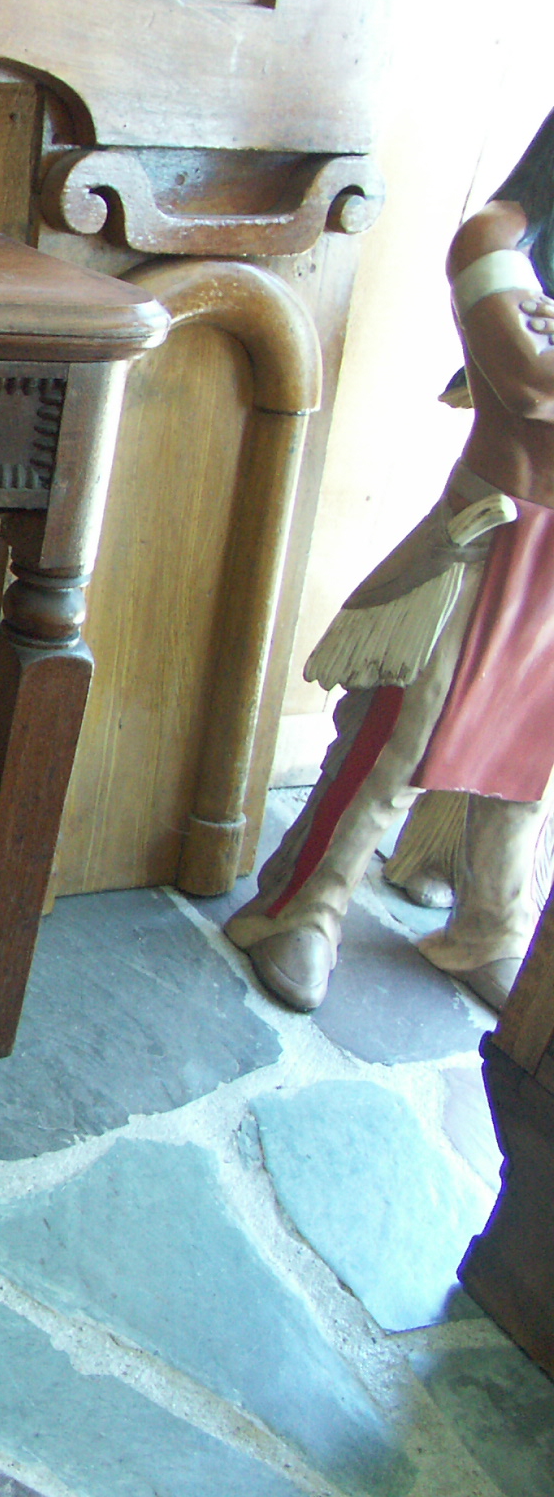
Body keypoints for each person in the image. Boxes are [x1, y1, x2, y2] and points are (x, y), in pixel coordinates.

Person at [224, 108, 554, 1013]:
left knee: (531, 766)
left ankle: (490, 923)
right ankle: (302, 909)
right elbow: (528, 381)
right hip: (485, 540)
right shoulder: (501, 235)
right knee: (392, 741)